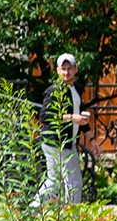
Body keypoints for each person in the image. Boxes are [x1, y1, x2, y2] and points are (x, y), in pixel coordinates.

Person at [35, 53, 89, 205]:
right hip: (56, 143)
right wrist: (72, 117)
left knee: (57, 182)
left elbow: (81, 116)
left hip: (68, 144)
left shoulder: (75, 90)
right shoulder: (54, 91)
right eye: (63, 69)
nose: (66, 72)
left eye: (69, 69)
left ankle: (33, 211)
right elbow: (45, 116)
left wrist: (92, 139)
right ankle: (71, 219)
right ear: (57, 71)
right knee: (71, 182)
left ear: (76, 69)